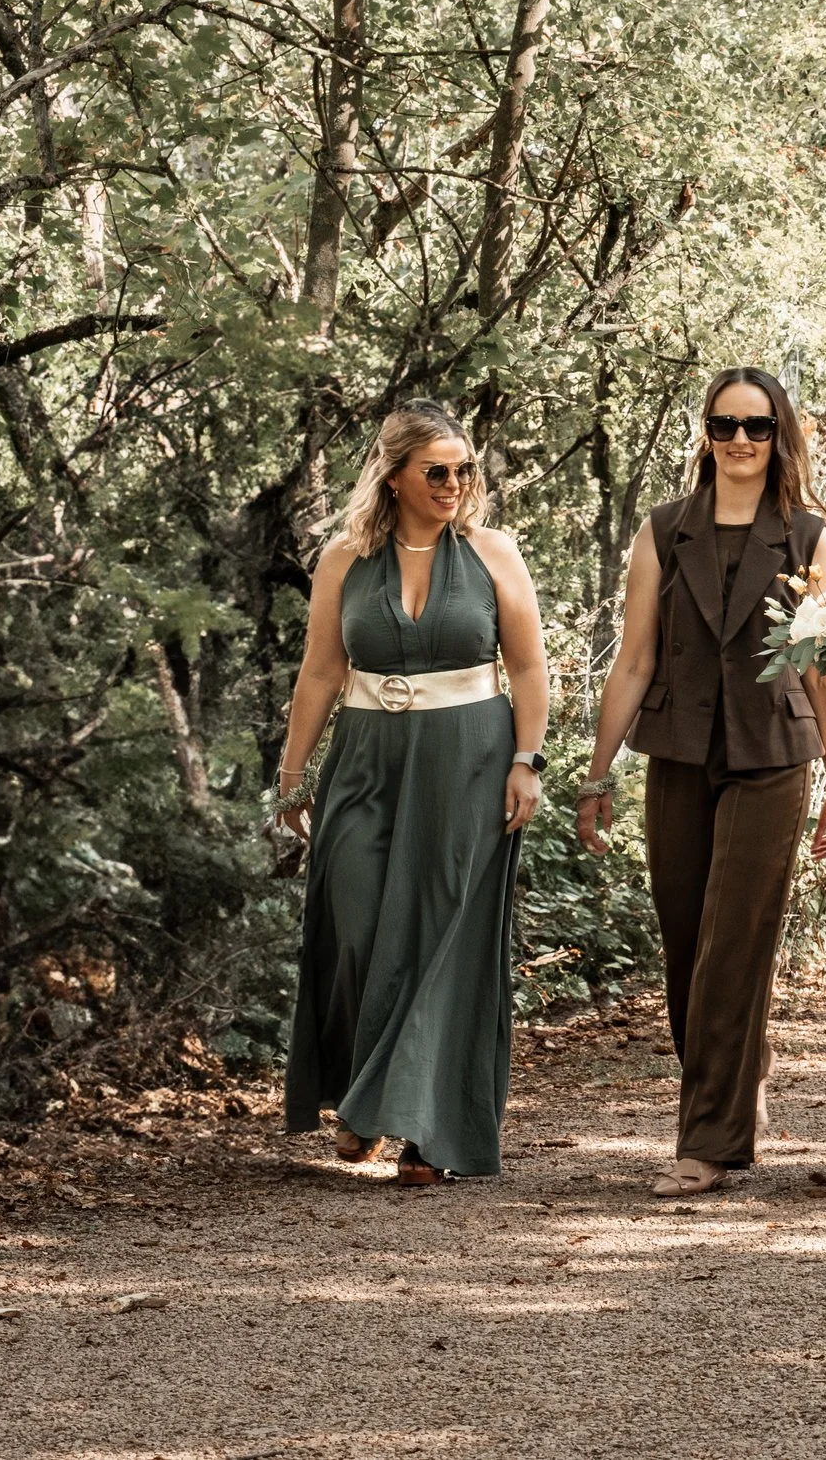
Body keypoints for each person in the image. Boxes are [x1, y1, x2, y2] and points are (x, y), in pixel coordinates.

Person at [576, 369, 826, 1198]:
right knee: (689, 938)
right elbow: (635, 658)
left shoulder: (808, 538)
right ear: (705, 433)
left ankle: (707, 1140)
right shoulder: (663, 532)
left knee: (735, 940)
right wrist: (597, 775)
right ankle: (738, 1082)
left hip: (772, 753)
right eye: (724, 425)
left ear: (779, 436)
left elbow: (823, 673)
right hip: (681, 750)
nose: (739, 440)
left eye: (757, 427)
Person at [277, 402, 550, 1185]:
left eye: (466, 470)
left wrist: (527, 760)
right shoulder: (343, 560)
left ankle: (422, 1132)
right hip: (366, 757)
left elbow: (528, 669)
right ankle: (367, 1097)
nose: (456, 484)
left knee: (442, 940)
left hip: (469, 759)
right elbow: (322, 672)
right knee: (357, 926)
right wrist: (293, 775)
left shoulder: (494, 553)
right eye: (438, 471)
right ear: (393, 475)